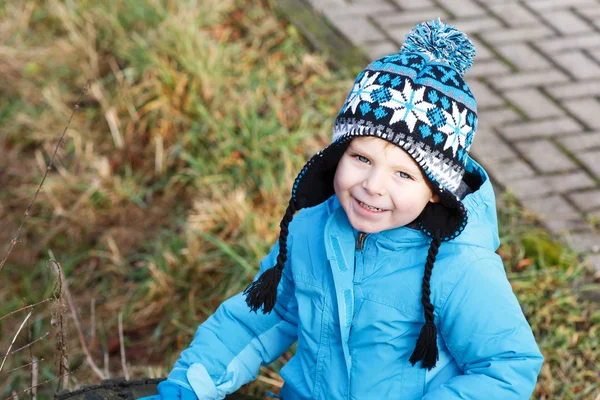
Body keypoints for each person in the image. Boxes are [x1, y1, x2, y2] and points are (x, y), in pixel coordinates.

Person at [145, 19, 544, 400]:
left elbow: (507, 365)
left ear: (437, 192)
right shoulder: (311, 229)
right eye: (362, 158)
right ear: (338, 152)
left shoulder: (460, 267)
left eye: (404, 175)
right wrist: (192, 383)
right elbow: (260, 316)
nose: (373, 185)